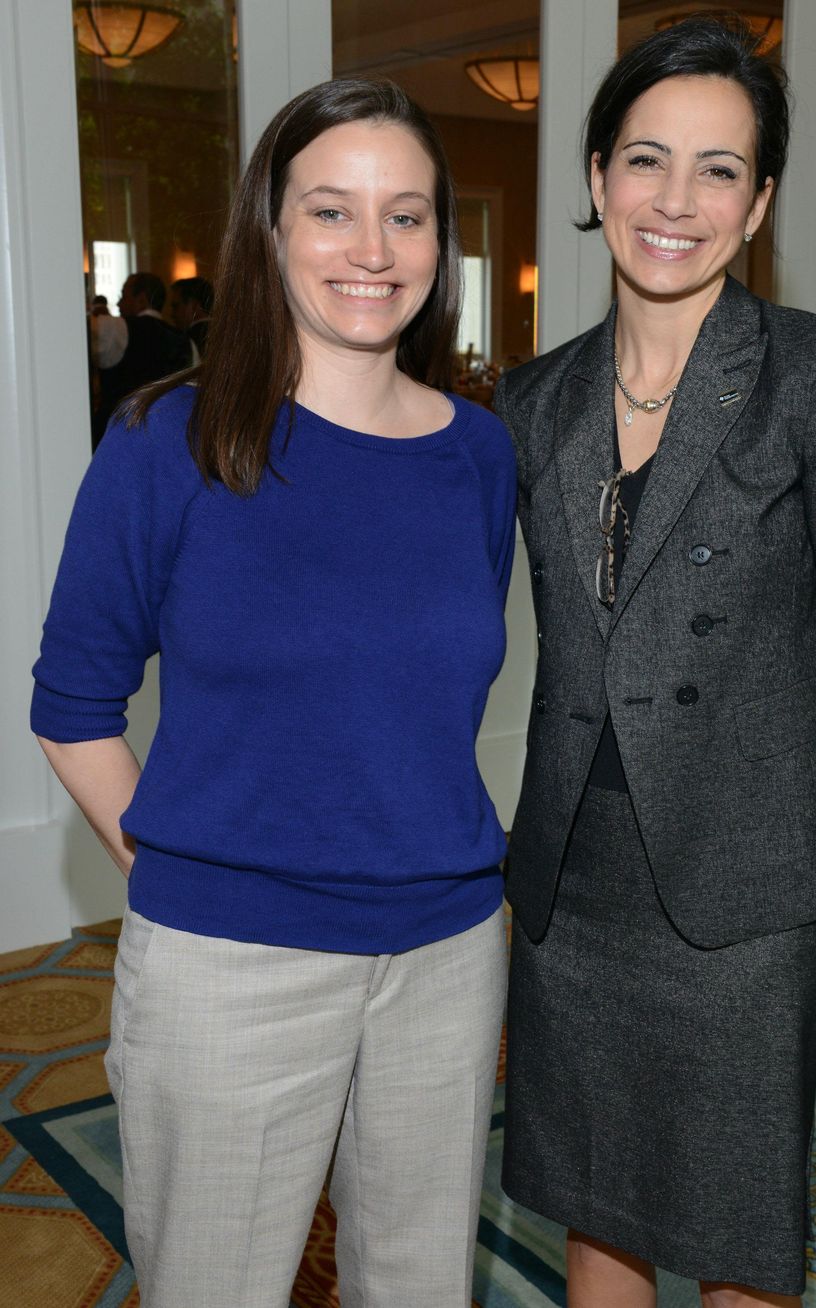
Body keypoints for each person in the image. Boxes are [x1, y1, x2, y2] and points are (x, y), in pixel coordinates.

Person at [32, 77, 515, 1308]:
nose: (371, 250)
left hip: (447, 954)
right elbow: (72, 705)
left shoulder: (478, 453)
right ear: (269, 229)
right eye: (331, 211)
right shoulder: (168, 442)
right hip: (229, 963)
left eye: (405, 217)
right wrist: (183, 876)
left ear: (437, 245)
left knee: (419, 1285)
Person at [493, 16, 816, 1308]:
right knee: (594, 1202)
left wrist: (745, 753)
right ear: (598, 174)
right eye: (646, 159)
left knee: (738, 1234)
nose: (676, 201)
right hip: (576, 879)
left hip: (753, 883)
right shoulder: (533, 398)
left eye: (719, 169)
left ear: (762, 198)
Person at [90, 271, 192, 447]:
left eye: (123, 295)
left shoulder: (116, 329)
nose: (119, 303)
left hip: (119, 438)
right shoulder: (186, 342)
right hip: (168, 440)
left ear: (142, 299)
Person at [169, 275, 214, 360]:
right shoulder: (229, 333)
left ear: (194, 306)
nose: (172, 314)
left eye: (176, 306)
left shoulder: (183, 342)